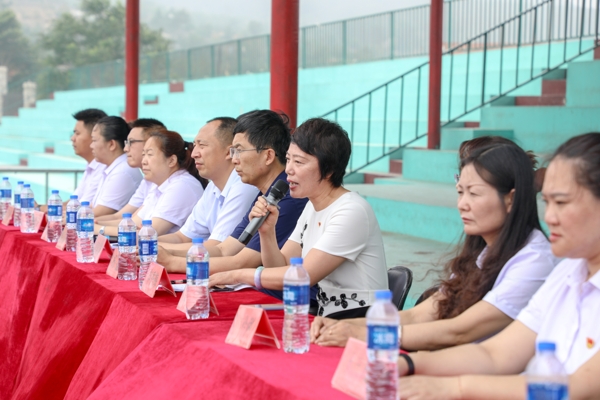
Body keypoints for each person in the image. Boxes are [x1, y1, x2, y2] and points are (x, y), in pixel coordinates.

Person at [397, 133, 600, 400]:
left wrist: (453, 388)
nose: (550, 217)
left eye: (561, 203)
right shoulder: (568, 272)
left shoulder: (537, 259)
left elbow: (574, 389)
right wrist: (409, 364)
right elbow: (495, 354)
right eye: (547, 203)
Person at [310, 142, 557, 348]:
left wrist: (363, 334)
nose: (462, 204)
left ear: (511, 198)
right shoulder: (483, 253)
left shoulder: (534, 260)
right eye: (460, 192)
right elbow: (417, 315)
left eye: (474, 193)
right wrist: (342, 325)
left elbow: (459, 331)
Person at [209, 118, 388, 319]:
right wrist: (267, 232)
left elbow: (302, 276)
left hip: (362, 321)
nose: (288, 169)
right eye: (288, 159)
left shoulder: (351, 211)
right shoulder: (312, 205)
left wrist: (238, 274)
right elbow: (280, 266)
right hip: (326, 319)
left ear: (329, 170)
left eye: (299, 162)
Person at [157, 110, 309, 283]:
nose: (234, 159)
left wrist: (172, 262)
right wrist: (162, 251)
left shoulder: (287, 197)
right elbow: (224, 250)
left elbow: (242, 262)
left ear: (268, 156)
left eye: (239, 151)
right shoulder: (266, 193)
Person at [156, 117, 259, 262]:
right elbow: (182, 237)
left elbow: (218, 247)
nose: (194, 153)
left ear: (229, 152)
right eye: (194, 145)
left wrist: (156, 248)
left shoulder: (244, 186)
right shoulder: (212, 186)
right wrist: (145, 241)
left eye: (202, 145)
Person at [94, 130, 205, 236]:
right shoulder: (159, 186)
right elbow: (133, 224)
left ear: (171, 161)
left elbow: (147, 234)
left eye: (149, 154)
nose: (143, 161)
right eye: (143, 154)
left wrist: (98, 229)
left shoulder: (181, 186)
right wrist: (95, 223)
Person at [95, 118, 166, 227]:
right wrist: (89, 223)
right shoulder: (148, 181)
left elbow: (137, 226)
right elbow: (120, 217)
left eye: (131, 142)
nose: (126, 149)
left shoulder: (176, 184)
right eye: (126, 143)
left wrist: (92, 226)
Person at [90, 116, 143, 217]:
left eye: (94, 140)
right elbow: (92, 207)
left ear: (111, 144)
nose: (91, 146)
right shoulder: (112, 167)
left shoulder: (123, 171)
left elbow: (99, 213)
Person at [71, 108, 108, 203]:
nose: (72, 138)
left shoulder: (103, 168)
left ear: (94, 136)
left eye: (77, 133)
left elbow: (83, 206)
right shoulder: (91, 165)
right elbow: (75, 201)